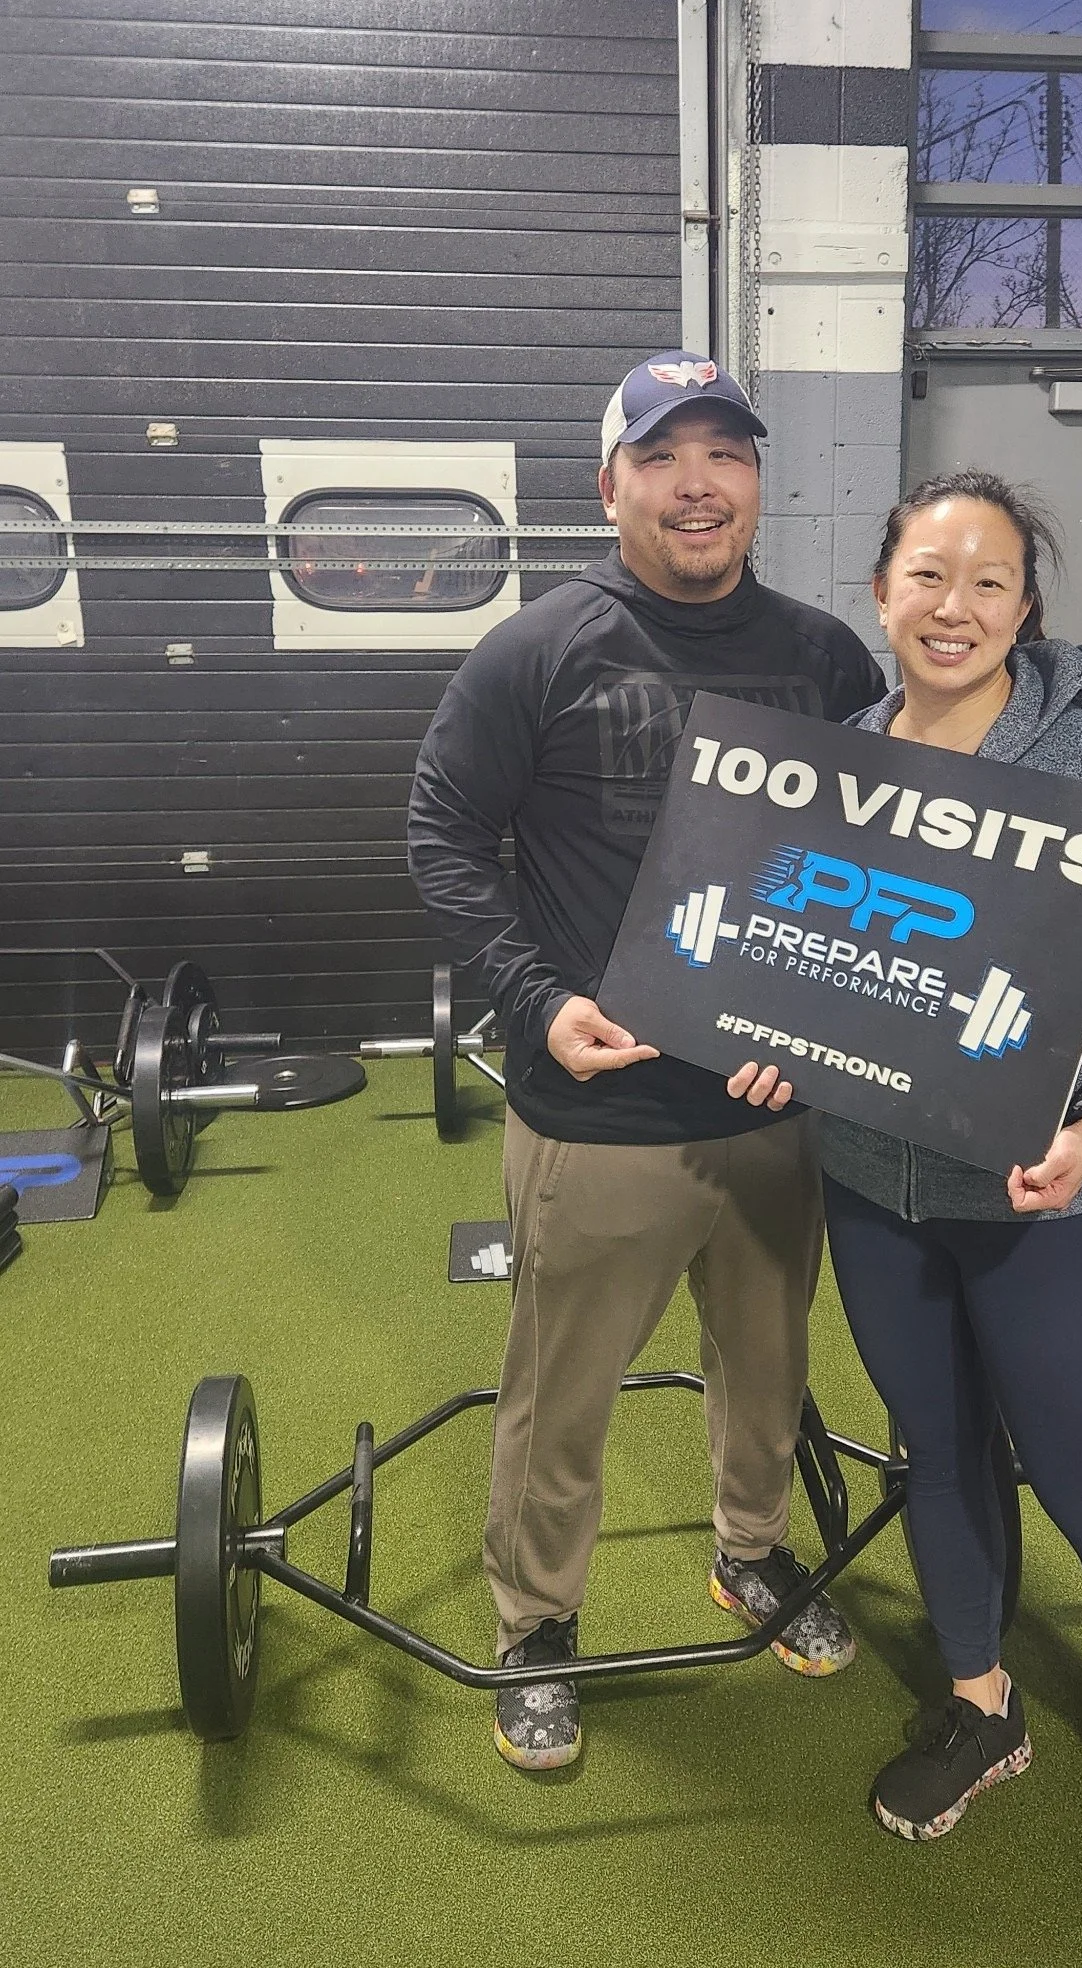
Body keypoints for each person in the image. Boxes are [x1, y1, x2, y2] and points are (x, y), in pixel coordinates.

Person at [406, 352, 886, 1770]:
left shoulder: (825, 659)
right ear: (609, 484)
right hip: (599, 1110)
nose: (697, 484)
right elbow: (441, 838)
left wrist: (837, 1031)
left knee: (767, 1364)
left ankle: (751, 1553)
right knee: (563, 1390)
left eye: (725, 454)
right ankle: (535, 1625)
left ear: (755, 483)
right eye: (663, 456)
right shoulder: (536, 648)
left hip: (772, 1107)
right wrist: (541, 1000)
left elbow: (888, 858)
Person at [814, 470, 1082, 1936]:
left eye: (989, 583)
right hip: (872, 1186)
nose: (955, 607)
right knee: (940, 1456)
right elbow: (818, 966)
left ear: (1026, 610)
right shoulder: (838, 762)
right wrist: (776, 1050)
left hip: (1050, 1204)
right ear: (881, 591)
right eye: (929, 576)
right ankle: (983, 1706)